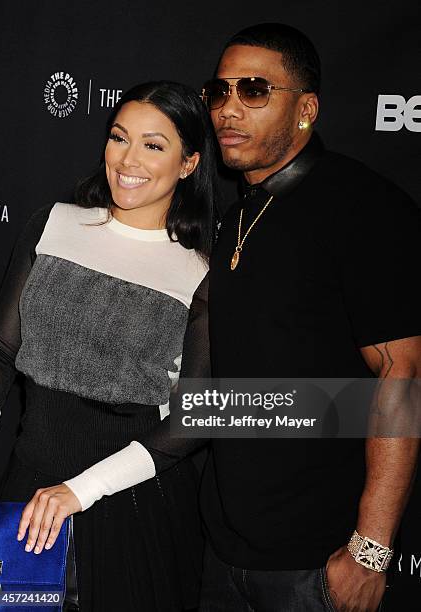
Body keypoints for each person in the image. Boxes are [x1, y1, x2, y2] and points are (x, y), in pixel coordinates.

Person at [196, 23, 421, 612]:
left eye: (254, 90)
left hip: (317, 564)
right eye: (219, 92)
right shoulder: (236, 209)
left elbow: (404, 373)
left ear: (306, 109)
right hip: (221, 549)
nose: (229, 109)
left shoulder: (364, 207)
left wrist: (370, 549)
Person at [0, 80, 217, 612]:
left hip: (132, 503)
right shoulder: (53, 225)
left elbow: (195, 418)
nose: (128, 159)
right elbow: (1, 353)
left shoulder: (200, 274)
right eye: (120, 138)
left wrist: (81, 490)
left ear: (188, 163)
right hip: (29, 484)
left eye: (153, 144)